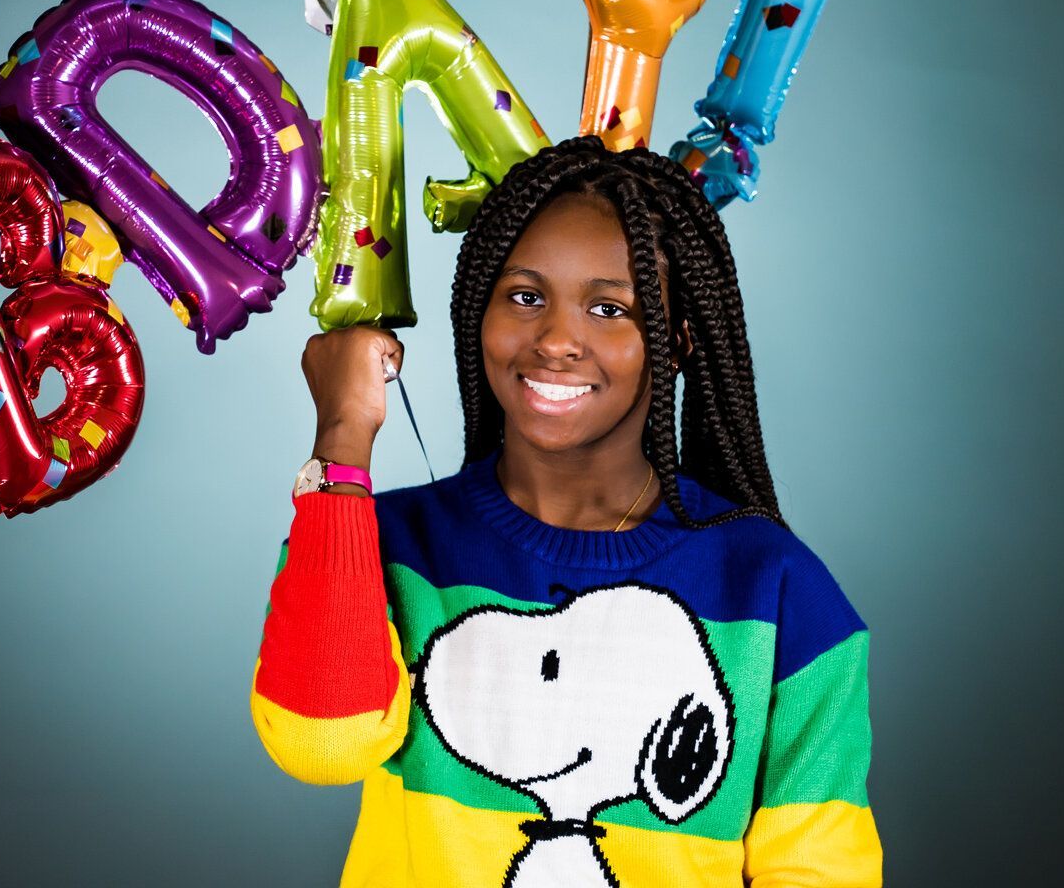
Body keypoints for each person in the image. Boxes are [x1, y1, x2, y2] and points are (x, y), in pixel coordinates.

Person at [250, 136, 880, 887]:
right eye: (524, 296)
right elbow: (320, 749)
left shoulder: (777, 591)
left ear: (676, 341)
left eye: (609, 308)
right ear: (477, 306)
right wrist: (344, 433)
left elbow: (820, 873)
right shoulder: (373, 542)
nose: (555, 340)